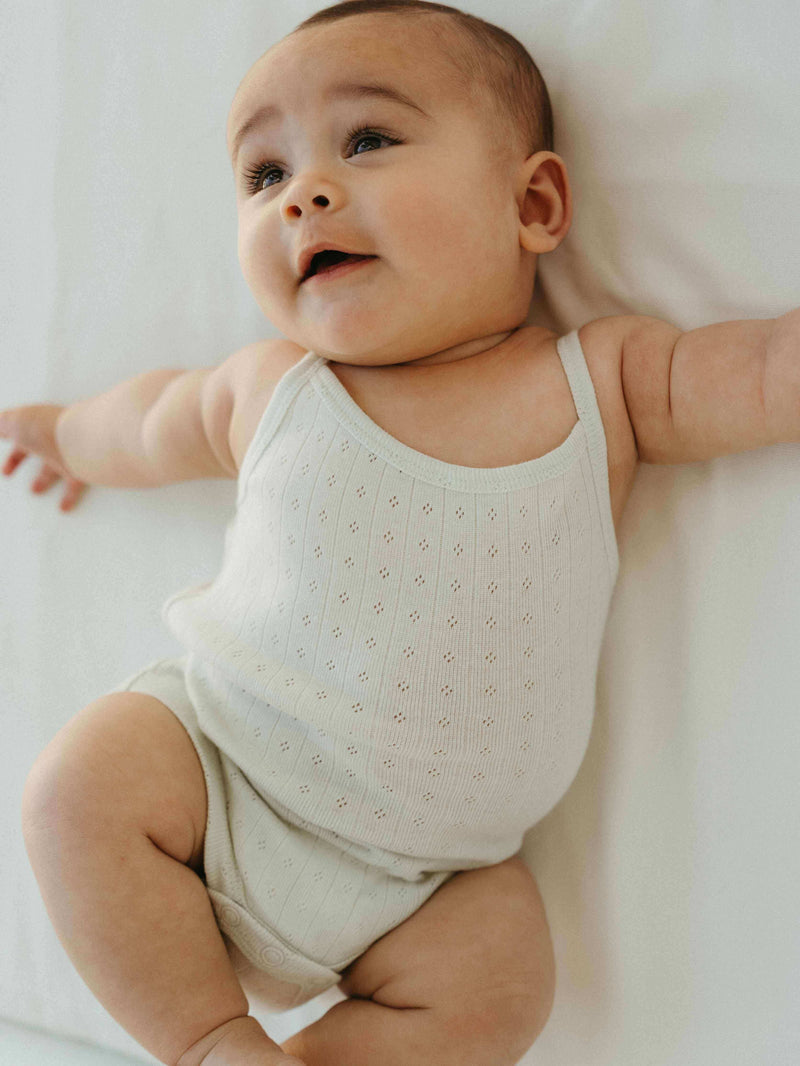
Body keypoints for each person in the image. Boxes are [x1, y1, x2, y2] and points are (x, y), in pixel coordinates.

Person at [2, 1, 797, 1064]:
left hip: (436, 876)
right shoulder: (276, 387)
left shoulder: (600, 379)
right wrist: (60, 430)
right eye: (262, 175)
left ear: (534, 202)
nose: (305, 194)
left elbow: (754, 375)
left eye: (367, 140)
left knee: (504, 985)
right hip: (221, 771)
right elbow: (145, 424)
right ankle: (204, 1041)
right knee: (76, 788)